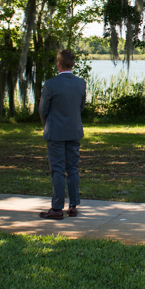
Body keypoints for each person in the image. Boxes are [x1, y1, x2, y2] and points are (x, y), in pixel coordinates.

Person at [37, 49, 86, 220]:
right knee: (72, 168)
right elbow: (80, 107)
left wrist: (47, 125)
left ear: (58, 64)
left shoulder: (51, 84)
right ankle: (73, 206)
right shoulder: (81, 83)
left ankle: (57, 208)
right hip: (74, 131)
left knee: (57, 169)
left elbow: (43, 109)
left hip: (55, 132)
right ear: (73, 65)